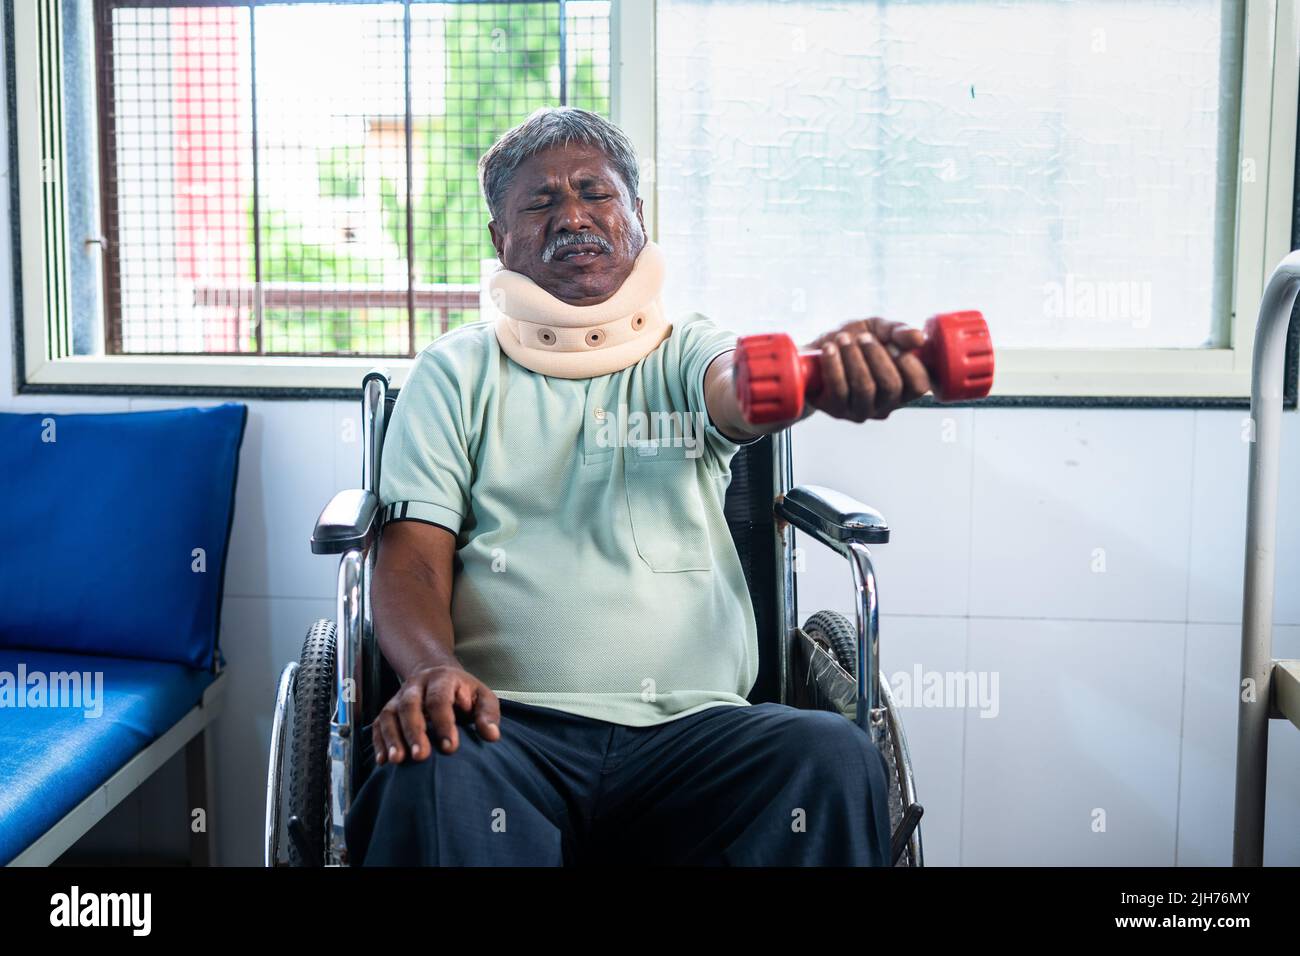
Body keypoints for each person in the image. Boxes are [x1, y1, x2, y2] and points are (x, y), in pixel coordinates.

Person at [344, 106, 931, 866]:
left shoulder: (688, 349)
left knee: (826, 754)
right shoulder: (455, 373)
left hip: (698, 732)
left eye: (596, 193)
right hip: (505, 730)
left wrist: (814, 377)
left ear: (638, 217)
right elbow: (413, 560)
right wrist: (429, 669)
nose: (574, 217)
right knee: (427, 770)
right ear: (500, 240)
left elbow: (742, 389)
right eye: (541, 201)